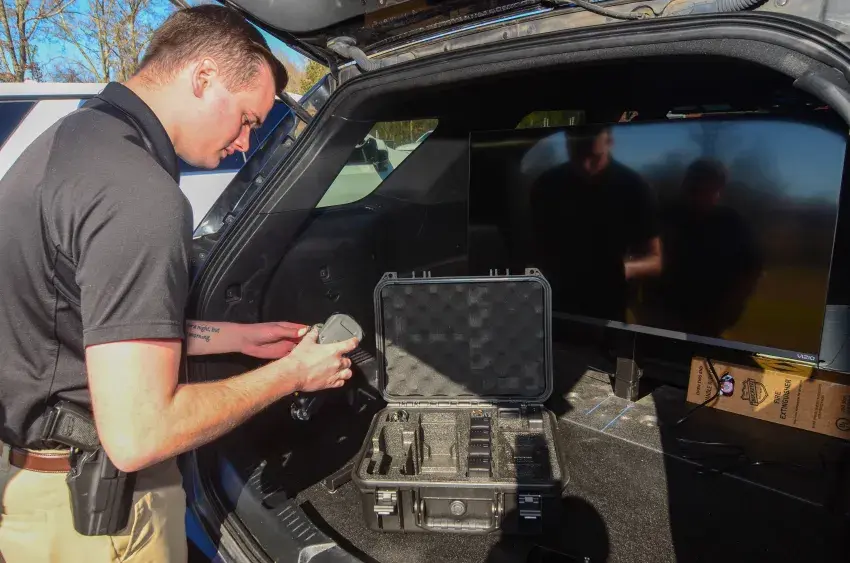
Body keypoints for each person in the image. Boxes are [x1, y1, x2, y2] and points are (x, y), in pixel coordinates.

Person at [0, 5, 359, 562]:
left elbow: (87, 322)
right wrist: (292, 374)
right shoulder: (138, 193)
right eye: (247, 119)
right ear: (203, 76)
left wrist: (235, 338)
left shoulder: (71, 144)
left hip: (38, 493)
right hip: (102, 522)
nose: (246, 142)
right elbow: (139, 434)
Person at [529, 124, 662, 323]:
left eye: (594, 157)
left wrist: (619, 269)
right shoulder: (547, 185)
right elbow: (533, 248)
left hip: (611, 303)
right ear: (567, 145)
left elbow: (655, 261)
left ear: (610, 142)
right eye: (577, 156)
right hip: (556, 300)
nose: (585, 166)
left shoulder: (634, 187)